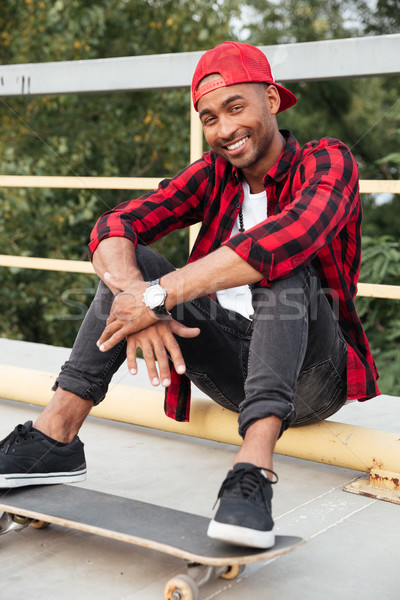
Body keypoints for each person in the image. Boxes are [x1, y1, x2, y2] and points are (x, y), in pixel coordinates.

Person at [0, 42, 379, 549]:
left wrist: (158, 298)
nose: (224, 130)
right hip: (231, 369)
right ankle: (55, 437)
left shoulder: (328, 160)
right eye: (209, 117)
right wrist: (138, 293)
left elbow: (292, 235)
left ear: (270, 98)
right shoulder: (213, 175)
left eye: (236, 107)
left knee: (285, 269)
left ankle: (252, 474)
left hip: (314, 374)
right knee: (136, 262)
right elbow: (117, 223)